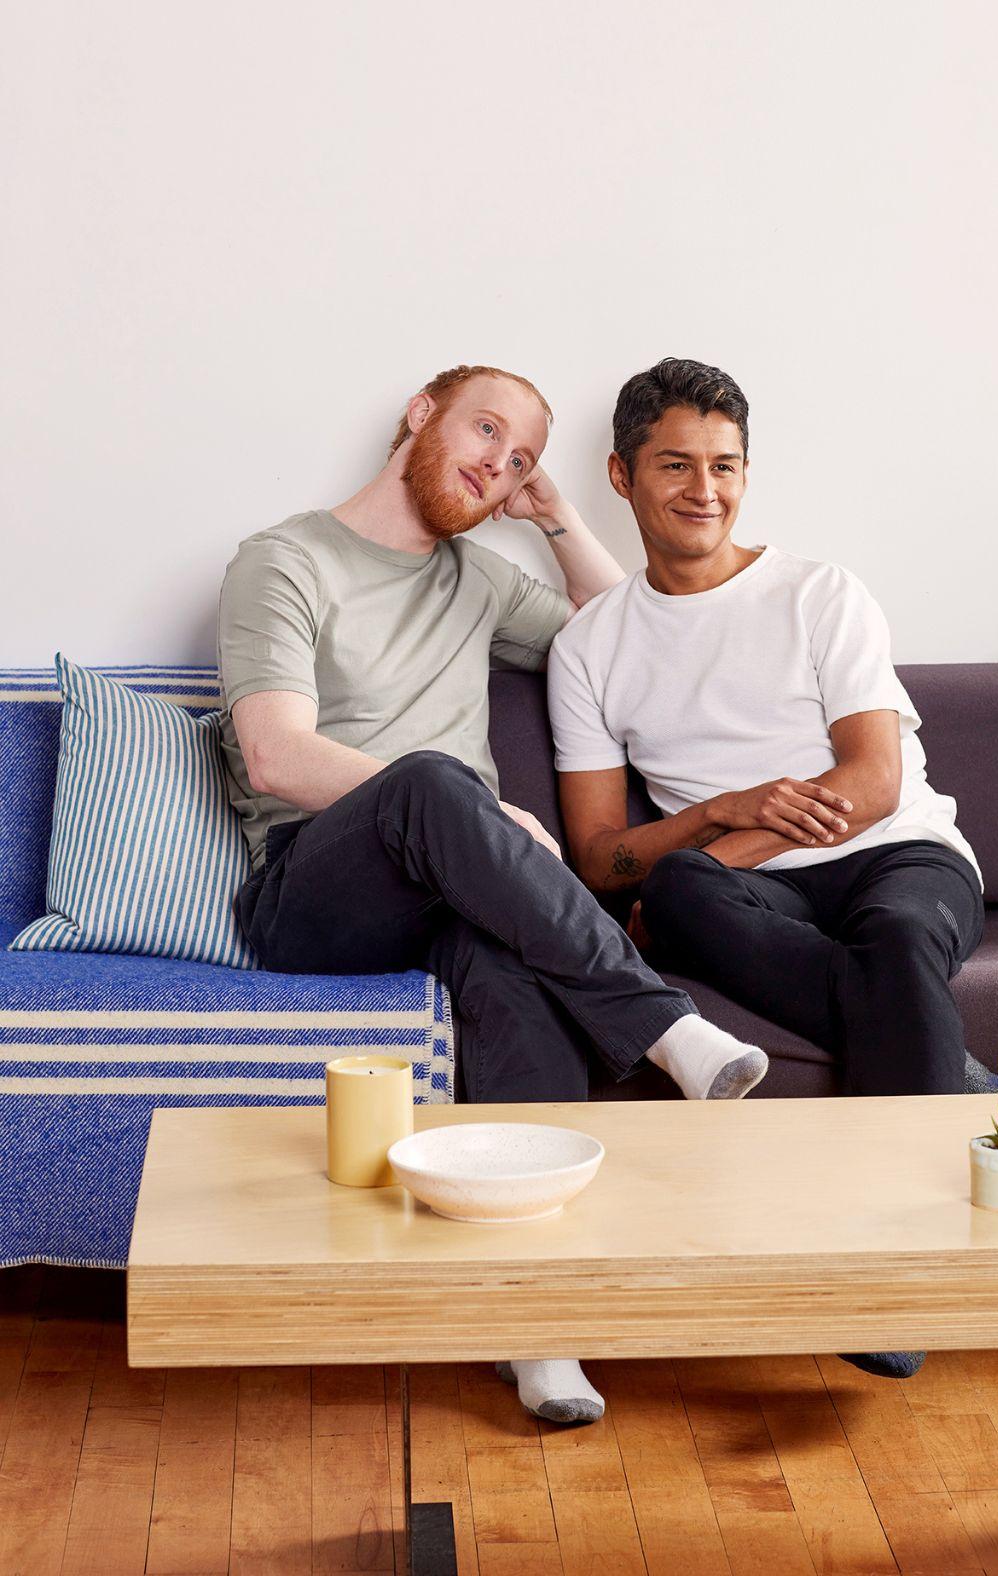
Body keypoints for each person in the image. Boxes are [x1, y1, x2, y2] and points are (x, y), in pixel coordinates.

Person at [217, 362, 768, 1426]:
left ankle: (541, 1332)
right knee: (438, 780)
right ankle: (665, 1027)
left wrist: (554, 513)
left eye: (519, 458)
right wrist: (468, 810)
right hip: (315, 893)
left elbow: (635, 632)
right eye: (485, 430)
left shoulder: (476, 578)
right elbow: (277, 754)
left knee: (511, 971)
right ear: (419, 414)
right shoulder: (283, 560)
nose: (496, 464)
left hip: (456, 895)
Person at [548, 356, 988, 1381]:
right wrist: (715, 817)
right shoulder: (590, 648)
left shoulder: (820, 594)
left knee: (903, 937)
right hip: (747, 880)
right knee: (678, 887)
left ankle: (895, 1288)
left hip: (898, 855)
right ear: (621, 476)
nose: (706, 490)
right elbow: (602, 857)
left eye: (726, 465)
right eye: (676, 465)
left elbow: (874, 783)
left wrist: (737, 846)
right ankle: (937, 1056)